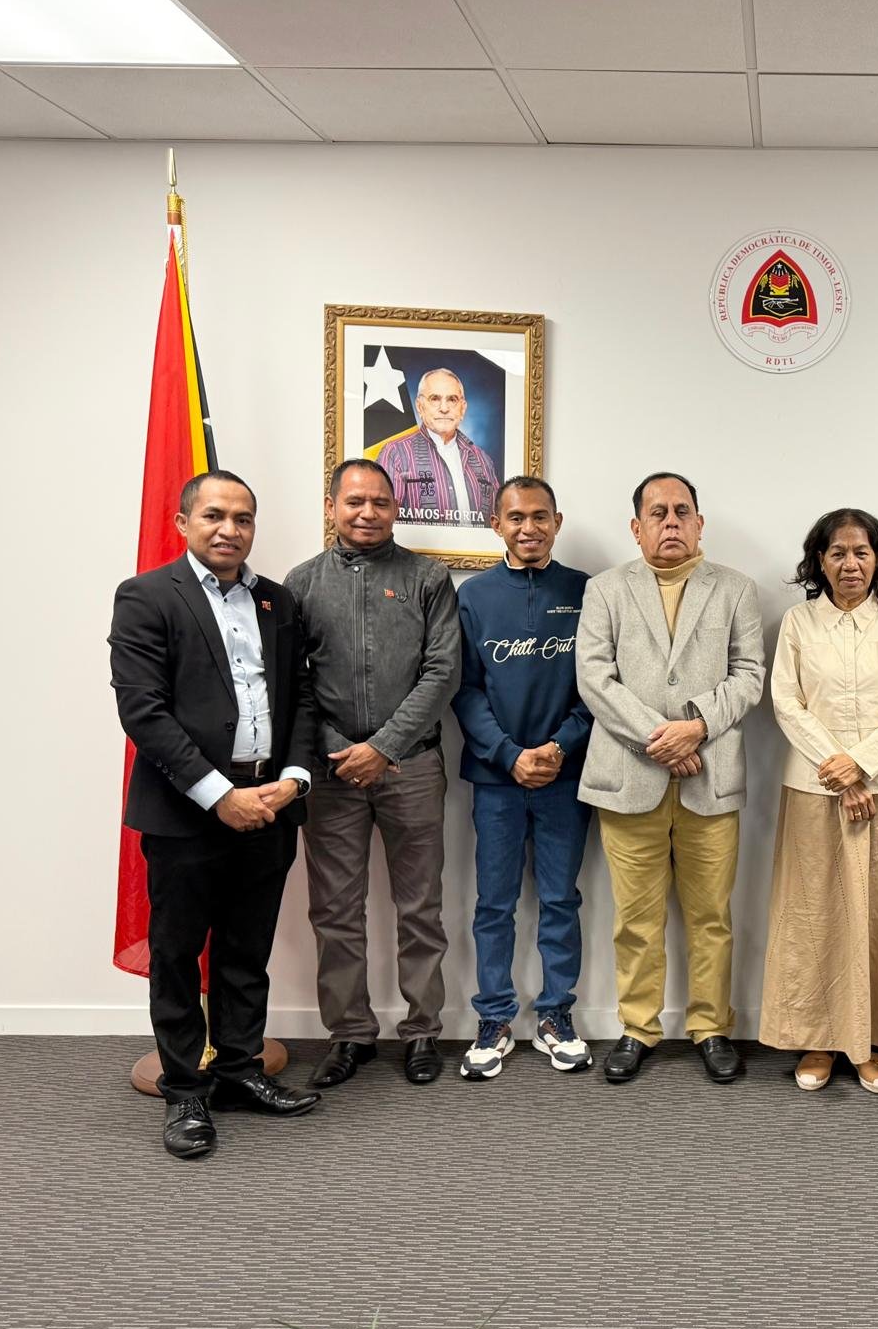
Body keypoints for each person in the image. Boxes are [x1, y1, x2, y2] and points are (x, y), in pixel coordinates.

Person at [109, 471, 321, 1159]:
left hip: (270, 804)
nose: (230, 529)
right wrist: (217, 795)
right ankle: (185, 1092)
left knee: (246, 950)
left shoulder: (276, 600)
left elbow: (301, 696)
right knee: (177, 956)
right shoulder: (145, 597)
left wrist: (292, 780)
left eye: (243, 518)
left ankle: (237, 1072)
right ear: (183, 523)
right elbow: (143, 710)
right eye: (215, 515)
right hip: (187, 811)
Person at [576, 471, 765, 1084]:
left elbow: (749, 676)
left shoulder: (736, 589)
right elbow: (594, 679)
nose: (671, 522)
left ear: (700, 523)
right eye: (658, 513)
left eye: (682, 511)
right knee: (635, 920)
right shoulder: (606, 590)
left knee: (712, 917)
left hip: (711, 779)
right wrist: (662, 739)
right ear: (637, 527)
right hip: (628, 777)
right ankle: (638, 1028)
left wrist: (697, 727)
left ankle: (711, 1028)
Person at [761, 509, 878, 1094]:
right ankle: (819, 1039)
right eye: (838, 552)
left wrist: (863, 764)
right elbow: (787, 703)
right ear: (819, 561)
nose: (850, 563)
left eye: (861, 552)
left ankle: (871, 1042)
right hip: (815, 790)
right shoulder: (798, 622)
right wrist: (841, 773)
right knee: (814, 917)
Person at [285, 459, 461, 1089]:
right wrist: (341, 749)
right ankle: (350, 1034)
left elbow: (443, 672)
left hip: (412, 766)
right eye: (355, 501)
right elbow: (295, 680)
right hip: (331, 773)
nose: (367, 513)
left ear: (396, 509)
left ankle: (422, 1032)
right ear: (331, 506)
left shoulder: (428, 578)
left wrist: (383, 747)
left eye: (380, 502)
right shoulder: (301, 583)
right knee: (334, 910)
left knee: (420, 907)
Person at [453, 476, 594, 1080]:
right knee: (495, 903)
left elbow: (599, 687)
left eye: (540, 516)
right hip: (497, 779)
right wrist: (509, 754)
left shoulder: (586, 591)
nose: (528, 528)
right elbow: (463, 689)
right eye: (516, 517)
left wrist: (560, 747)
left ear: (557, 522)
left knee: (561, 899)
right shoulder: (474, 596)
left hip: (566, 777)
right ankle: (494, 1018)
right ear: (496, 524)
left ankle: (556, 1016)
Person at [376, 367, 501, 527]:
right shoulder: (395, 453)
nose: (444, 408)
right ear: (420, 406)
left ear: (463, 408)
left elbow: (498, 524)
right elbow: (382, 521)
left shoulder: (483, 460)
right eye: (435, 399)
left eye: (452, 400)